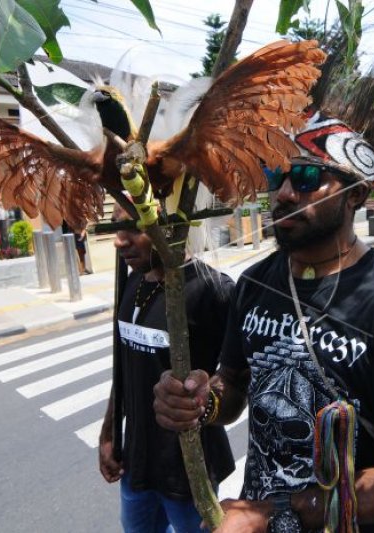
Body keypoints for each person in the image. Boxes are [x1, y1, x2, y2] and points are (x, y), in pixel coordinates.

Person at [153, 112, 374, 533]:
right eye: (275, 176)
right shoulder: (254, 284)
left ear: (354, 194)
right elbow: (235, 383)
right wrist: (202, 401)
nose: (282, 193)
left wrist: (276, 515)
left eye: (304, 178)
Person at [98, 204, 235, 533]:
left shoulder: (212, 290)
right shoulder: (132, 283)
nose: (120, 241)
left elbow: (235, 376)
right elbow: (126, 370)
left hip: (188, 475)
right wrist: (108, 432)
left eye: (133, 228)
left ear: (173, 228)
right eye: (116, 228)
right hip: (135, 466)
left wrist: (205, 399)